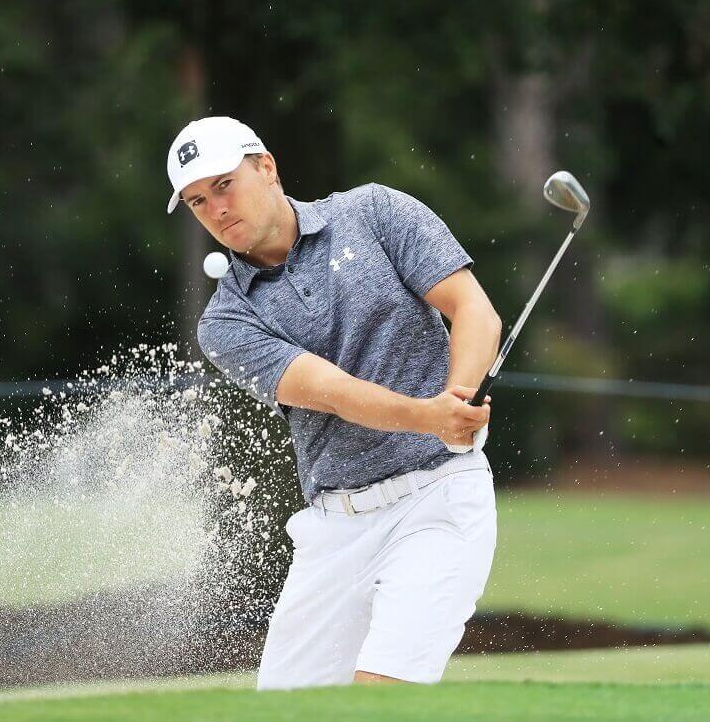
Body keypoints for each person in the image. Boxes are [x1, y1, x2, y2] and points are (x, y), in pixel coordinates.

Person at [166, 116, 503, 689]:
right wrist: (430, 416)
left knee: (380, 693)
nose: (216, 209)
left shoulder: (374, 212)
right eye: (198, 201)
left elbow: (474, 310)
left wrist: (459, 398)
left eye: (224, 184)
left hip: (438, 500)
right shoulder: (224, 321)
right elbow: (333, 393)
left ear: (266, 167)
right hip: (333, 528)